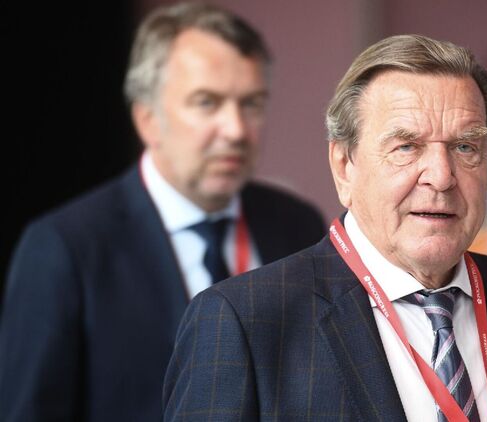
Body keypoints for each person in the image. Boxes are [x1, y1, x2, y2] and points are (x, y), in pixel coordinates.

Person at [164, 34, 487, 421]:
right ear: (344, 166)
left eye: (465, 147)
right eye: (406, 147)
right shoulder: (244, 323)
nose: (441, 177)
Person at [0, 3, 325, 421]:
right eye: (207, 102)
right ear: (147, 119)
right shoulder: (66, 248)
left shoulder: (297, 225)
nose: (236, 130)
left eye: (252, 103)